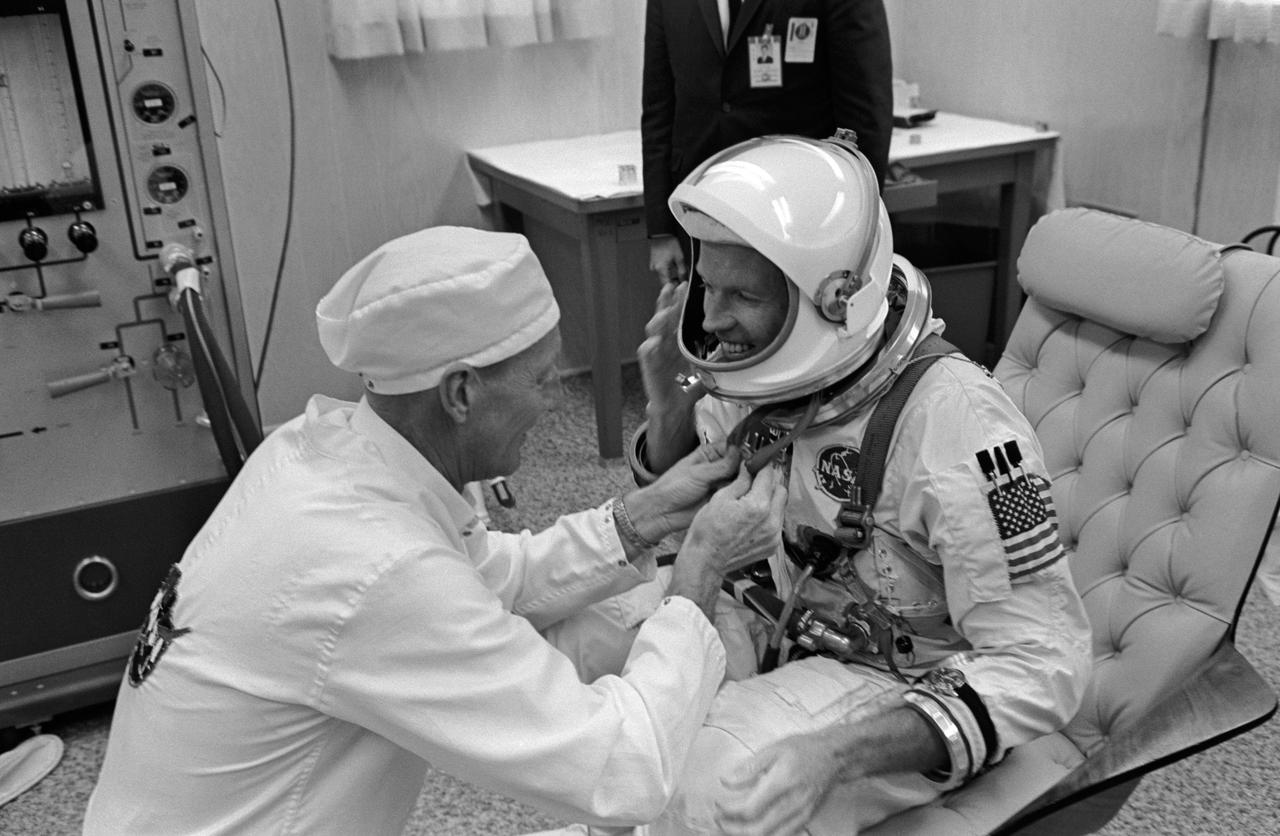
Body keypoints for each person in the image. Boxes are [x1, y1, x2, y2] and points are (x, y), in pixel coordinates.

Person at [82, 227, 787, 835]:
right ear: (460, 393)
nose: (550, 405)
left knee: (604, 623)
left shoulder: (319, 448)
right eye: (542, 382)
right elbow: (625, 767)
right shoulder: (372, 564)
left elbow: (485, 579)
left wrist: (645, 516)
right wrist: (698, 568)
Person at [628, 135, 1092, 834]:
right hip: (777, 614)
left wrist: (833, 755)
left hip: (902, 682)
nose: (714, 320)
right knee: (596, 686)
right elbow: (688, 492)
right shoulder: (764, 364)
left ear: (834, 298)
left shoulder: (961, 426)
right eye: (708, 287)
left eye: (741, 295)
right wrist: (668, 405)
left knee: (709, 791)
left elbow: (1043, 663)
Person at [642, 0, 893, 283]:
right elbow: (658, 111)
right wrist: (661, 229)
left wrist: (856, 232)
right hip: (700, 213)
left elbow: (865, 113)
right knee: (706, 324)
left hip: (799, 217)